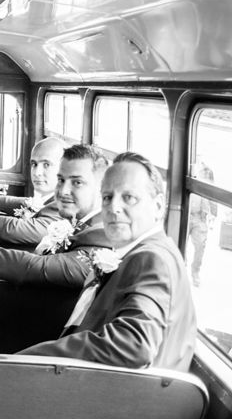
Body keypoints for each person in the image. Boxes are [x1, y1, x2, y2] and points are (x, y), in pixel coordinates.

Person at [19, 152, 196, 371]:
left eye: (129, 198)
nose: (114, 208)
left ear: (158, 206)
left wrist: (29, 360)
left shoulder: (152, 259)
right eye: (107, 197)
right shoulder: (147, 252)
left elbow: (134, 345)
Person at [0, 144, 112, 288]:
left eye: (77, 182)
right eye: (61, 180)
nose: (64, 190)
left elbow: (35, 267)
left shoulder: (100, 245)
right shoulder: (81, 223)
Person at [0, 137, 66, 213]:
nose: (37, 173)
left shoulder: (63, 206)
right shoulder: (46, 200)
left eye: (46, 165)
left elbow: (23, 228)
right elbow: (30, 204)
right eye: (34, 164)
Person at [187, 160, 218, 287]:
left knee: (200, 246)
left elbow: (213, 197)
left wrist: (213, 215)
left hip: (200, 218)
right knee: (178, 243)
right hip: (186, 214)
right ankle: (179, 268)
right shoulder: (191, 171)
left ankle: (195, 272)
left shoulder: (208, 174)